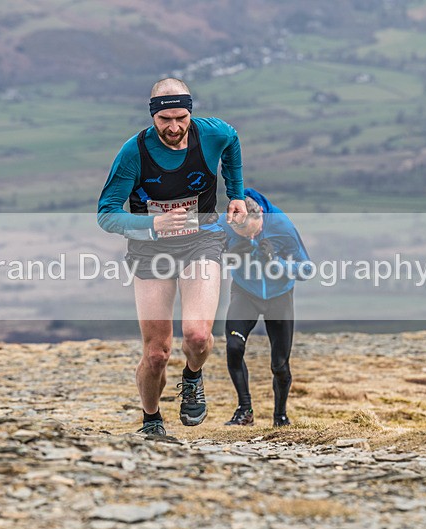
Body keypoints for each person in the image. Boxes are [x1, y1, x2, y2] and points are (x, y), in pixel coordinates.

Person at [97, 78, 247, 436]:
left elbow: (232, 141)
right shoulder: (134, 153)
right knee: (156, 353)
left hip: (202, 241)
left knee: (197, 336)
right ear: (153, 116)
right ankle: (151, 420)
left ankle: (193, 377)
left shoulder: (212, 134)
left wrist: (236, 193)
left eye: (181, 117)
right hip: (151, 250)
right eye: (165, 119)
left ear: (190, 112)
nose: (174, 127)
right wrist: (152, 225)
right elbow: (106, 213)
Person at [220, 188, 313, 427]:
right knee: (233, 346)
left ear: (260, 215)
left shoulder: (282, 226)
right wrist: (229, 254)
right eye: (242, 234)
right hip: (245, 292)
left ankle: (280, 417)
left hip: (278, 296)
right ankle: (245, 410)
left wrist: (277, 262)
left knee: (279, 365)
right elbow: (208, 254)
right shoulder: (226, 222)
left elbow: (307, 270)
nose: (251, 238)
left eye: (254, 232)